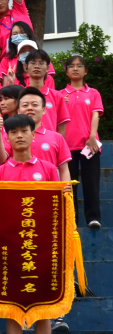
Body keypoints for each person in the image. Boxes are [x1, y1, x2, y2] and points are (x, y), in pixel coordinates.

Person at [0, 114, 63, 334]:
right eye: (13, 132)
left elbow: (57, 208)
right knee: (12, 306)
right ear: (7, 137)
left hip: (42, 248)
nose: (19, 136)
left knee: (43, 306)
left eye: (23, 131)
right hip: (10, 248)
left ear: (32, 133)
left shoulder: (48, 169)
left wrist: (64, 194)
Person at [59, 55, 104, 228]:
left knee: (91, 182)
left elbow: (95, 114)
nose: (75, 68)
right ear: (66, 72)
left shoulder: (93, 93)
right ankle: (71, 219)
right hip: (66, 146)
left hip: (89, 145)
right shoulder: (60, 95)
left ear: (86, 71)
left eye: (79, 66)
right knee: (69, 184)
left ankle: (93, 218)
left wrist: (92, 137)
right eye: (71, 66)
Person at [20, 50, 69, 134]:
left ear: (47, 68)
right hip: (25, 142)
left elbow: (61, 127)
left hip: (50, 142)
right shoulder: (19, 94)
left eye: (41, 63)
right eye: (33, 63)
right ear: (26, 67)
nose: (37, 66)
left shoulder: (57, 96)